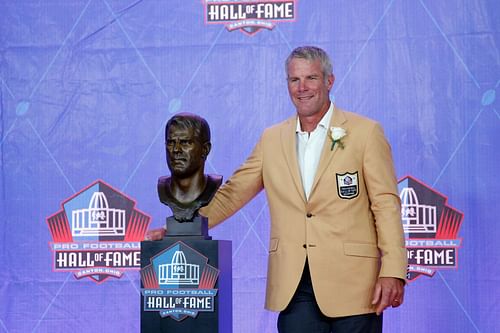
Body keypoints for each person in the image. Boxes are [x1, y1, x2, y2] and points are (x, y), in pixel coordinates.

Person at [199, 46, 407, 333]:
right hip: (295, 285)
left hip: (356, 285)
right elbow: (234, 193)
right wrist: (185, 225)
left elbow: (385, 205)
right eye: (294, 80)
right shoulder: (271, 138)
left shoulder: (365, 133)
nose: (302, 88)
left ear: (329, 81)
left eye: (311, 78)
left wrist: (394, 269)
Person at [157, 112, 222, 222]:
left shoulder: (213, 186)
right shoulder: (163, 188)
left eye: (185, 142)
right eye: (171, 142)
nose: (176, 149)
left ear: (205, 149)